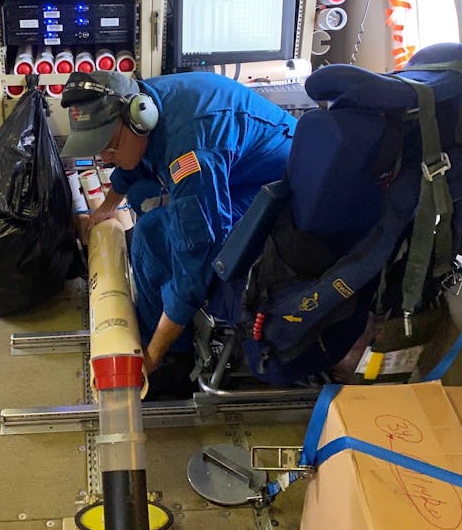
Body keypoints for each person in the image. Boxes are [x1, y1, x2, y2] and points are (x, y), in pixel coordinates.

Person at [61, 70, 296, 396]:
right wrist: (106, 208)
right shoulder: (143, 104)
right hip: (243, 168)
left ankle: (176, 359)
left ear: (139, 119)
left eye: (108, 147)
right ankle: (160, 321)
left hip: (278, 190)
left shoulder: (192, 152)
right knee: (145, 195)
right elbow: (137, 160)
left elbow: (195, 260)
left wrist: (154, 353)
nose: (104, 158)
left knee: (153, 236)